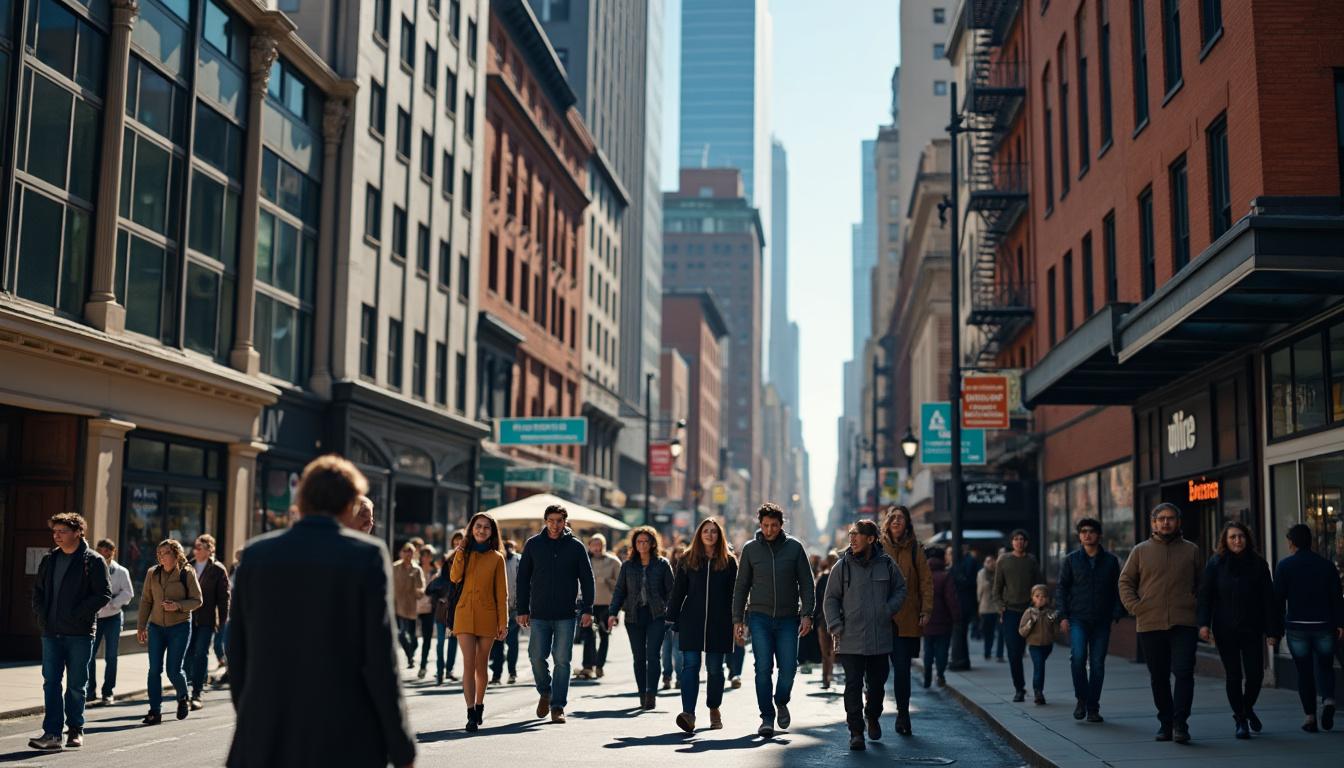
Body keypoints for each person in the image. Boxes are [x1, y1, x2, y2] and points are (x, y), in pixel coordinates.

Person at [226, 454, 415, 768]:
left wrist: (252, 715)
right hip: (343, 734)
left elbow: (237, 649)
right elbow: (380, 660)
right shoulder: (366, 555)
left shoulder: (256, 555)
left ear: (301, 499)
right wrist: (401, 747)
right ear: (349, 504)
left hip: (264, 736)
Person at [1119, 502, 1202, 744]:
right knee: (1159, 676)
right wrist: (1136, 608)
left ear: (1178, 522)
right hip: (1150, 623)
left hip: (1184, 622)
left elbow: (1202, 584)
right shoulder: (1140, 551)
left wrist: (1195, 605)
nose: (1166, 522)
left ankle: (1180, 723)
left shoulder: (1191, 550)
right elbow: (1125, 582)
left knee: (1184, 673)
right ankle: (1165, 723)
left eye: (1170, 518)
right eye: (1161, 519)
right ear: (1153, 523)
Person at [28, 513, 111, 752]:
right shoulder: (49, 559)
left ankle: (75, 729)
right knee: (51, 683)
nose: (57, 536)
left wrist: (77, 614)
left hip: (79, 633)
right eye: (55, 531)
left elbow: (103, 594)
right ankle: (53, 733)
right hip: (51, 632)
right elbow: (38, 591)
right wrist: (42, 616)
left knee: (76, 685)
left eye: (62, 531)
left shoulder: (93, 560)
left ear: (77, 532)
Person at [731, 502, 815, 737]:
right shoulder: (750, 549)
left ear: (781, 525)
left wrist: (807, 614)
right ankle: (767, 717)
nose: (769, 530)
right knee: (762, 668)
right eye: (766, 525)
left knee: (788, 668)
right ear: (760, 524)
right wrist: (738, 620)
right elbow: (741, 586)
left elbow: (807, 584)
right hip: (759, 617)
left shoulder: (794, 548)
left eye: (774, 525)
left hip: (789, 618)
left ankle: (781, 700)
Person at [824, 519, 908, 751]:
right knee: (852, 685)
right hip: (850, 638)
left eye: (857, 534)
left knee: (877, 685)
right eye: (851, 534)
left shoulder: (887, 564)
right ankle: (856, 732)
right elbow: (830, 598)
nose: (852, 538)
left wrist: (888, 609)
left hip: (880, 638)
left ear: (871, 539)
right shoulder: (842, 566)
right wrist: (835, 625)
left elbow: (901, 589)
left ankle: (872, 715)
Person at [1198, 520, 1278, 738]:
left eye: (1241, 536)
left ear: (1247, 539)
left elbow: (1268, 599)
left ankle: (1247, 707)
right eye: (1232, 537)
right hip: (1225, 629)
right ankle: (1241, 719)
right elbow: (1205, 596)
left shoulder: (1258, 564)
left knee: (1255, 675)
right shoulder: (1216, 563)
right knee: (1233, 675)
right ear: (1225, 540)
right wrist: (1203, 624)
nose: (1237, 540)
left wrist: (1273, 631)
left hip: (1252, 628)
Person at [516, 503, 596, 723]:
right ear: (545, 521)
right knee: (536, 656)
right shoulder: (533, 544)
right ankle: (545, 691)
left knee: (562, 660)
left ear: (565, 522)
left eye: (559, 521)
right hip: (539, 613)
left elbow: (587, 579)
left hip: (566, 614)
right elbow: (522, 579)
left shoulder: (576, 546)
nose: (555, 525)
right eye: (551, 520)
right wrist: (522, 609)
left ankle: (558, 706)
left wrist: (588, 609)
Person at [667, 518, 739, 732]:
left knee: (715, 669)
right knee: (690, 666)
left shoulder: (729, 561)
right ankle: (688, 713)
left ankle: (714, 708)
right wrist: (671, 617)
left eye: (714, 531)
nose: (709, 534)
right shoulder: (687, 559)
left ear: (719, 535)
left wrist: (738, 619)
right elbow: (678, 591)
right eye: (706, 531)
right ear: (699, 534)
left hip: (720, 622)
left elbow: (736, 594)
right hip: (692, 620)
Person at [1272, 523, 1344, 733]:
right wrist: (1340, 623)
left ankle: (1310, 717)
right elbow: (1336, 598)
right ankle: (1328, 699)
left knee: (1304, 672)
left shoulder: (1285, 566)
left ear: (1291, 543)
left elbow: (1278, 601)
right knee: (1325, 665)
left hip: (1297, 627)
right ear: (1310, 542)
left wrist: (1275, 630)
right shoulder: (1327, 566)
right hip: (1324, 625)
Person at [1056, 517, 1125, 723]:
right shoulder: (1071, 560)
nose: (1087, 535)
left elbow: (1118, 588)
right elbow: (1061, 589)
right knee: (1078, 658)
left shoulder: (1110, 561)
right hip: (1078, 617)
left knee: (1097, 664)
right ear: (1079, 536)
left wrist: (1117, 611)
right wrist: (1063, 616)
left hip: (1102, 619)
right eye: (1083, 531)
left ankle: (1093, 707)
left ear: (1099, 535)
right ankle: (1081, 699)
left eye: (1091, 531)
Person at [449, 512, 509, 732]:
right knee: (468, 663)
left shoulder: (497, 558)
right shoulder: (463, 553)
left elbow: (502, 593)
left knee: (480, 665)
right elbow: (454, 577)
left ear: (492, 532)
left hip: (487, 616)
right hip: (464, 614)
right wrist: (460, 551)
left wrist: (503, 622)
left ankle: (480, 703)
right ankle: (470, 712)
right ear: (471, 529)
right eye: (478, 526)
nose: (482, 530)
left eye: (486, 527)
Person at [608, 526, 675, 710]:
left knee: (653, 656)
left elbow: (671, 591)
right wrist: (613, 613)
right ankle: (642, 694)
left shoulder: (662, 564)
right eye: (639, 542)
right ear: (634, 544)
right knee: (639, 657)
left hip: (656, 616)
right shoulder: (628, 566)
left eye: (646, 541)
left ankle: (651, 693)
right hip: (633, 616)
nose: (642, 545)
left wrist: (672, 613)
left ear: (652, 543)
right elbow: (620, 591)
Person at [879, 505, 932, 736]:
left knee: (902, 671)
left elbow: (926, 582)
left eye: (901, 517)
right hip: (879, 620)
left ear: (907, 522)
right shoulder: (877, 546)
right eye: (893, 517)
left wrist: (926, 610)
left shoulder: (915, 548)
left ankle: (903, 714)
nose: (896, 521)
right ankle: (873, 712)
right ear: (887, 522)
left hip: (906, 619)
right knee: (876, 672)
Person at [137, 539, 202, 725]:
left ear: (176, 554)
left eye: (165, 552)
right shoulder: (153, 573)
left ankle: (182, 697)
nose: (161, 556)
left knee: (173, 670)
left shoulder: (187, 573)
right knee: (154, 670)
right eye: (159, 553)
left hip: (179, 627)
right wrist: (141, 625)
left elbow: (197, 600)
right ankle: (154, 711)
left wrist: (178, 606)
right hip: (156, 627)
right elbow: (146, 600)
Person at [993, 528, 1040, 702]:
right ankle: (1019, 689)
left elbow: (1039, 585)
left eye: (1022, 539)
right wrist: (1001, 608)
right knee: (1014, 653)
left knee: (1037, 651)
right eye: (1016, 539)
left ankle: (1038, 689)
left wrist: (1039, 607)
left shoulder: (1031, 561)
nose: (1019, 542)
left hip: (1030, 611)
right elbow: (996, 589)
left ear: (1026, 542)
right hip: (1011, 612)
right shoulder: (1003, 561)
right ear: (1012, 542)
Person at [185, 534, 229, 710]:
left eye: (199, 547)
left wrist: (222, 621)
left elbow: (224, 598)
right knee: (187, 653)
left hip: (207, 619)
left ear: (209, 550)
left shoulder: (218, 569)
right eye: (195, 546)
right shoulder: (188, 566)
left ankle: (197, 692)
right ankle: (184, 689)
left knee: (201, 652)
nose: (195, 550)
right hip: (187, 617)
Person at [87, 538, 133, 708]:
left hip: (113, 617)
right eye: (100, 550)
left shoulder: (121, 571)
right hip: (95, 616)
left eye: (107, 551)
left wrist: (113, 603)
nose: (103, 554)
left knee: (111, 656)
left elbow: (128, 593)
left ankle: (108, 691)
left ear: (113, 553)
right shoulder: (90, 568)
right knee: (89, 655)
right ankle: (90, 690)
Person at [579, 533, 621, 680]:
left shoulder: (614, 562)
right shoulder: (584, 560)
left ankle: (599, 666)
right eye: (594, 545)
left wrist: (607, 581)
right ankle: (587, 666)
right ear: (589, 546)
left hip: (607, 605)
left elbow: (621, 585)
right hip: (588, 605)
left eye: (600, 545)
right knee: (588, 636)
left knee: (604, 636)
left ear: (604, 546)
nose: (597, 548)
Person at [922, 546, 960, 688]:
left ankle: (927, 674)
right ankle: (940, 674)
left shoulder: (923, 576)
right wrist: (956, 616)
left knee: (928, 649)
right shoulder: (945, 576)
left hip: (926, 619)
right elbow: (951, 599)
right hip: (944, 620)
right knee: (942, 650)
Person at [489, 539, 522, 684]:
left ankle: (503, 674)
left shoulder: (515, 560)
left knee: (505, 643)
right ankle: (505, 674)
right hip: (505, 608)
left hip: (509, 608)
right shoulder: (501, 560)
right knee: (504, 643)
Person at [1019, 585, 1058, 704]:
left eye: (1044, 596)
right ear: (1032, 598)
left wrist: (1053, 621)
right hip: (1034, 645)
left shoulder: (1050, 613)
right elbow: (1021, 631)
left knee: (1040, 666)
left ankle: (1038, 690)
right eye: (1037, 596)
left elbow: (1056, 632)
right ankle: (1038, 692)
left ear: (1048, 599)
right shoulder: (1029, 612)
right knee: (1039, 666)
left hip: (1047, 645)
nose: (1040, 598)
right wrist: (1030, 623)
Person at [392, 542, 426, 670]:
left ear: (413, 554)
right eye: (406, 551)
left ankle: (410, 655)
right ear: (401, 553)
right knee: (401, 634)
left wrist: (419, 591)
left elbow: (422, 587)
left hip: (411, 607)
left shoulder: (417, 569)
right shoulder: (395, 567)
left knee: (413, 638)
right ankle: (410, 656)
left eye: (410, 552)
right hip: (397, 606)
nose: (408, 554)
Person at [949, 545, 979, 670]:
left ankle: (961, 660)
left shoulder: (967, 562)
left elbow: (968, 581)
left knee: (960, 631)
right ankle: (962, 659)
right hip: (964, 601)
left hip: (963, 602)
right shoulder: (964, 561)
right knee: (960, 632)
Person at [814, 551, 838, 689]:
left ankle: (828, 676)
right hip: (825, 620)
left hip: (832, 620)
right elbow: (817, 599)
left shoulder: (839, 578)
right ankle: (827, 677)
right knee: (827, 651)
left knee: (829, 651)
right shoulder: (823, 578)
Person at [415, 545, 439, 679]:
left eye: (429, 555)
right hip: (413, 607)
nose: (426, 558)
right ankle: (411, 653)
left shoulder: (435, 572)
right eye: (424, 555)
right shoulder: (415, 569)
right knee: (410, 636)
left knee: (427, 638)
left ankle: (423, 665)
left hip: (429, 608)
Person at [976, 555, 1000, 662]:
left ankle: (995, 652)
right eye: (988, 561)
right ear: (984, 563)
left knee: (996, 632)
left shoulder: (998, 573)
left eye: (991, 561)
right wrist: (978, 605)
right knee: (987, 632)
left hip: (996, 607)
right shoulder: (981, 574)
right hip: (985, 607)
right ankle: (987, 651)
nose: (990, 563)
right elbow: (979, 591)